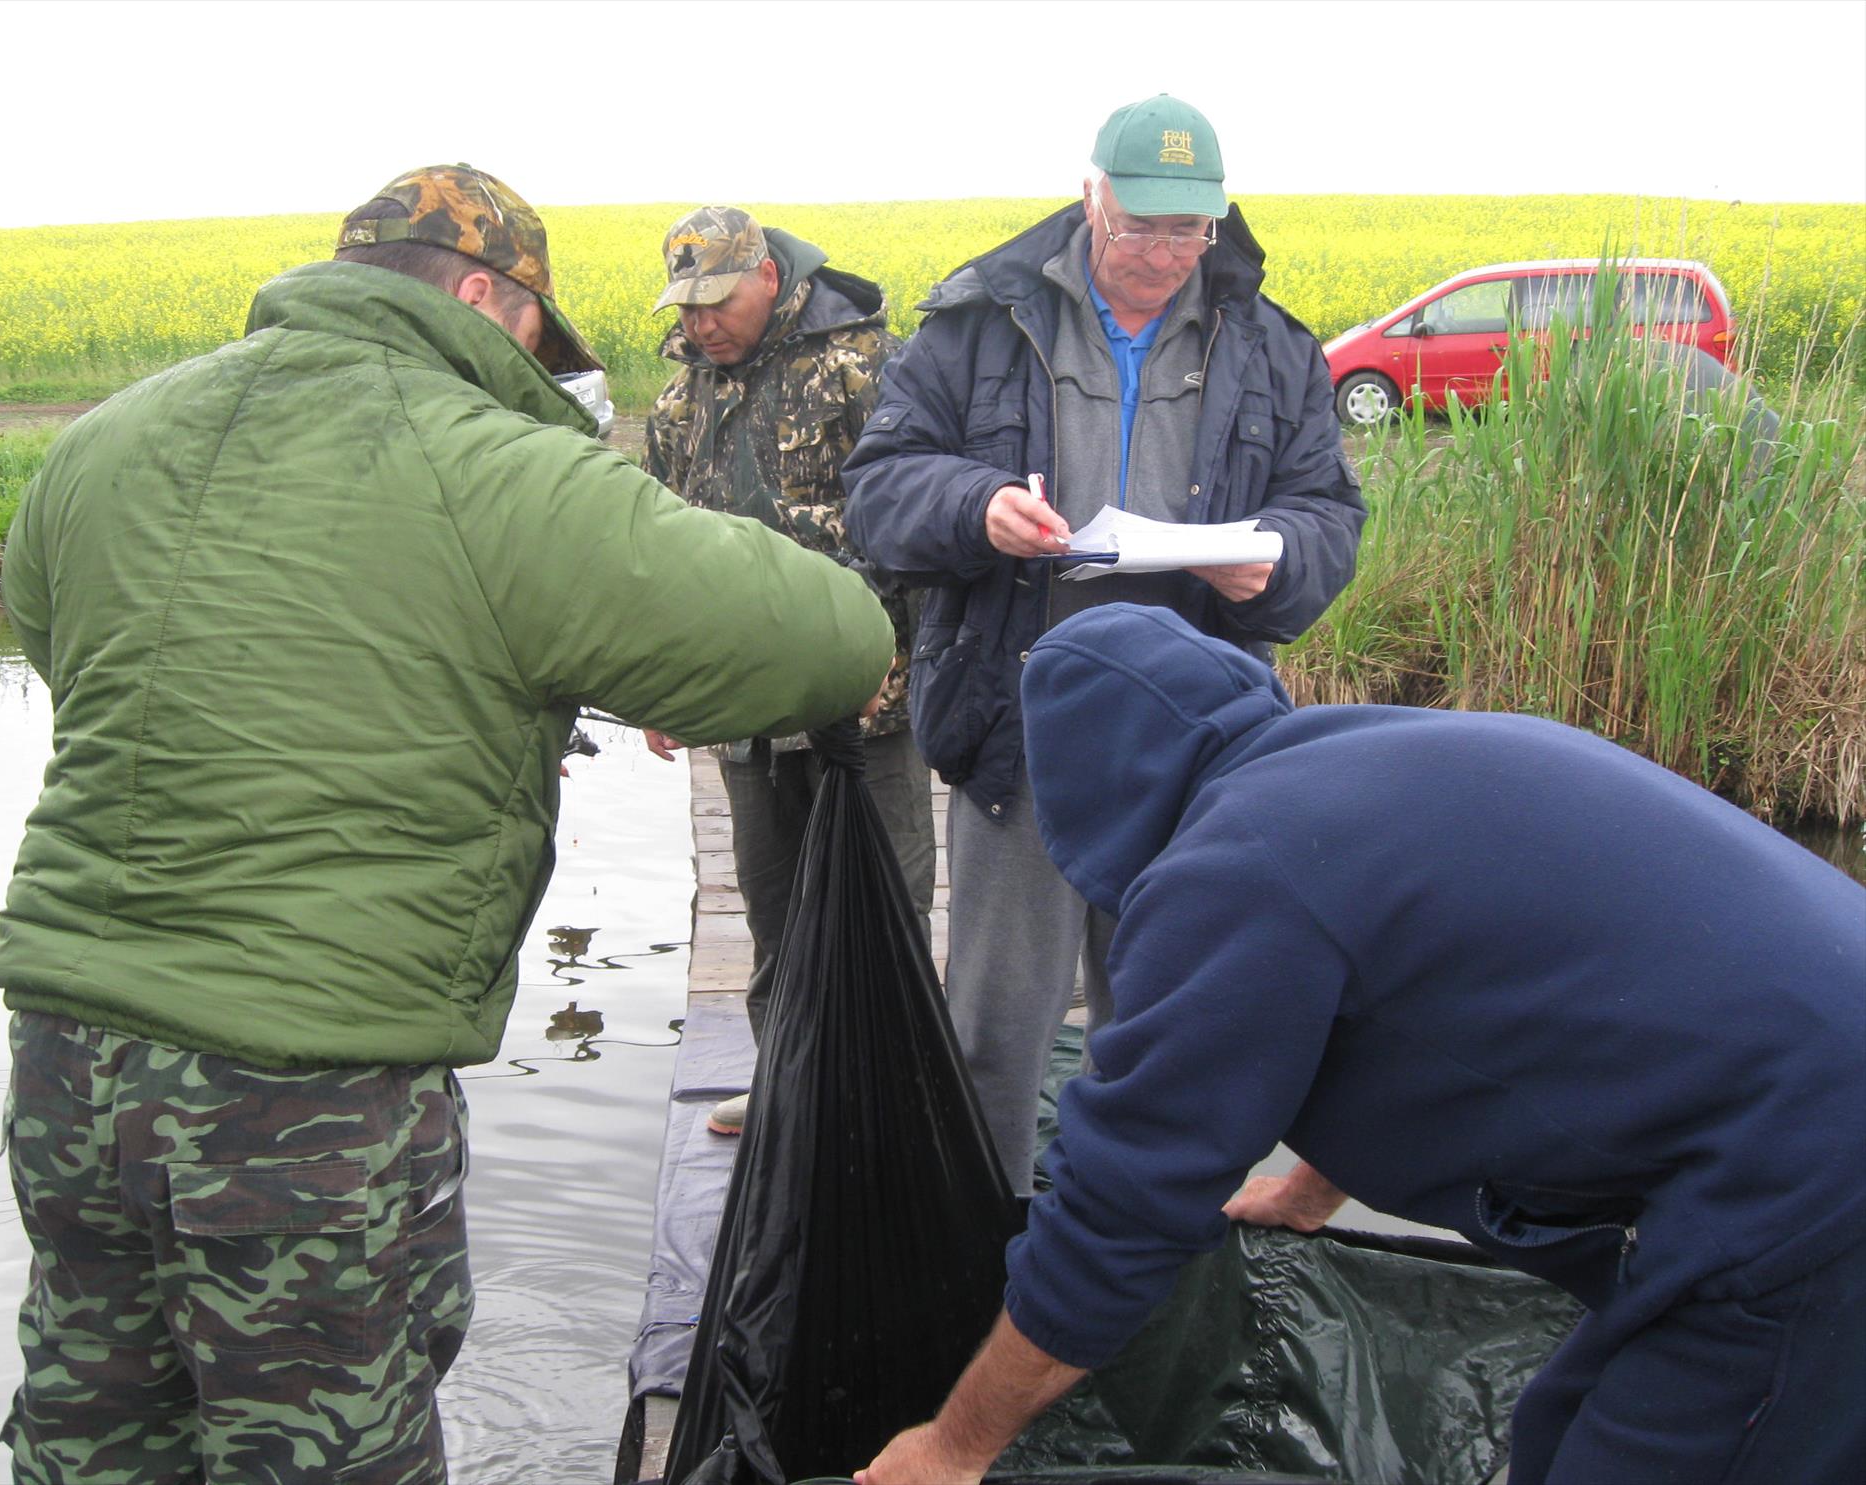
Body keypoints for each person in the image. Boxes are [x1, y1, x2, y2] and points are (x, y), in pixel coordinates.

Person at [0, 164, 897, 1485]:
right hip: (303, 1086)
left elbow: (56, 637)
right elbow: (827, 639)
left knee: (98, 1443)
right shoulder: (496, 470)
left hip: (66, 1062)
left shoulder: (106, 440)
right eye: (537, 330)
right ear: (486, 298)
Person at [858, 604, 1866, 1485]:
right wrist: (1306, 1191)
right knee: (1559, 1429)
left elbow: (1120, 1210)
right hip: (1807, 1077)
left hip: (1812, 1184)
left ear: (1090, 790)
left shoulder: (1231, 870)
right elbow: (1414, 998)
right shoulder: (1359, 764)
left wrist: (953, 1448)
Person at [842, 96, 1366, 1194]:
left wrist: (1274, 559)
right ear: (1092, 199)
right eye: (1142, 229)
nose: (1167, 256)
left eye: (1191, 233)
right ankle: (982, 1248)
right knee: (997, 1024)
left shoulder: (1271, 349)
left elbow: (1327, 513)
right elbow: (881, 491)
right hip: (1018, 729)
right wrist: (975, 506)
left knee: (1166, 1021)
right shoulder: (977, 325)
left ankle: (1138, 1246)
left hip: (1191, 744)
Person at [641, 205, 934, 1135]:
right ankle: (791, 1088)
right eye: (685, 308)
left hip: (866, 707)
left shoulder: (864, 366)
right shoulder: (680, 402)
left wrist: (883, 652)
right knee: (773, 913)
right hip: (745, 713)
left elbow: (911, 527)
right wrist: (663, 681)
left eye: (717, 302)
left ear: (768, 276)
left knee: (883, 904)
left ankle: (895, 1103)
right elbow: (655, 552)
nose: (699, 324)